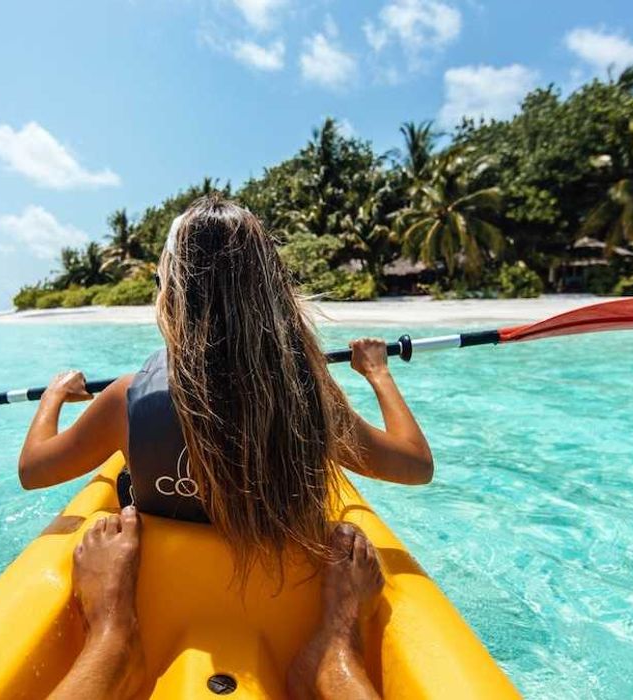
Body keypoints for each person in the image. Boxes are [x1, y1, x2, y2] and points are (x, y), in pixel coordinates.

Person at [21, 194, 434, 698]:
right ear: (272, 290)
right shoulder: (310, 397)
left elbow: (34, 470)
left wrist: (54, 397)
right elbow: (414, 465)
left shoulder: (127, 399)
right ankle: (333, 652)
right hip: (288, 588)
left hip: (162, 587)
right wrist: (379, 374)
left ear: (171, 291)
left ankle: (114, 640)